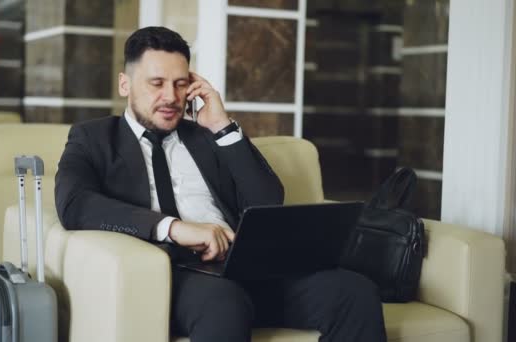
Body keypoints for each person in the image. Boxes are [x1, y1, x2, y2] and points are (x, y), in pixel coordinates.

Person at [55, 26, 387, 342]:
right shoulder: (94, 138)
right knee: (224, 302)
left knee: (353, 291)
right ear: (125, 84)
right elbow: (75, 203)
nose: (171, 97)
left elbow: (267, 200)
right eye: (156, 83)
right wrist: (174, 228)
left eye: (181, 83)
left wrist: (222, 126)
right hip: (174, 274)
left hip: (244, 265)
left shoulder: (207, 136)